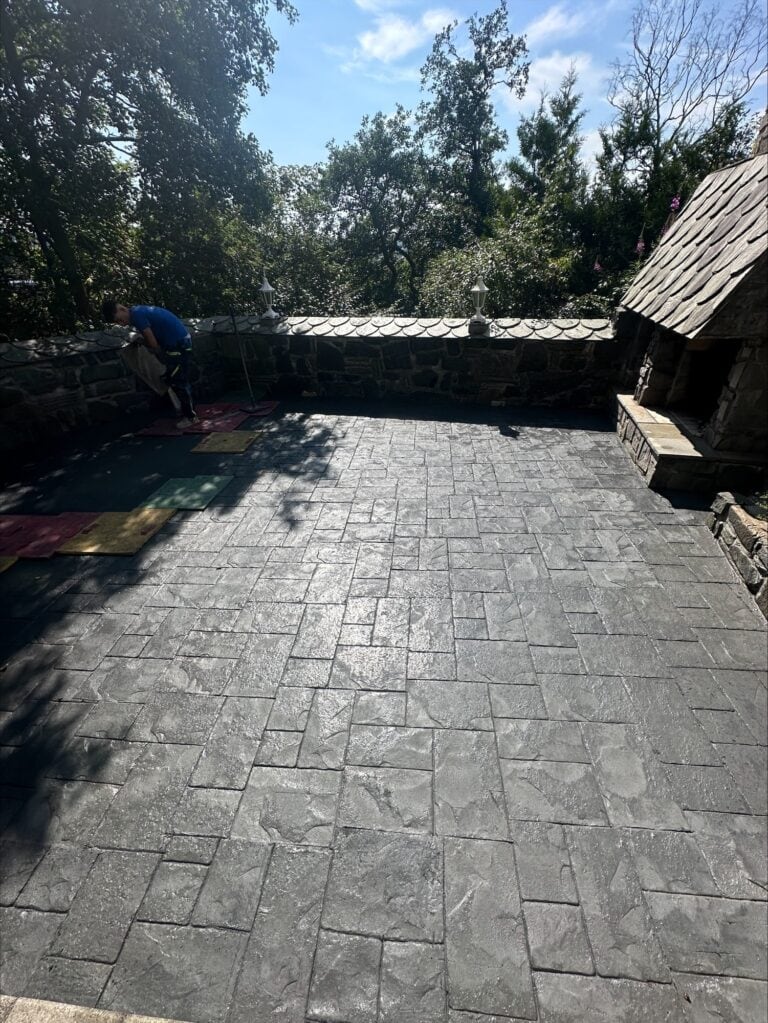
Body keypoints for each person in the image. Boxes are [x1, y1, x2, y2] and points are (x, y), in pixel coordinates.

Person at [101, 300, 198, 426]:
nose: (122, 324)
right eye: (117, 322)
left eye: (119, 320)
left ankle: (190, 417)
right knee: (174, 378)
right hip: (179, 344)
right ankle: (185, 411)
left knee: (178, 381)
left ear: (122, 310)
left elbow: (153, 345)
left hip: (178, 346)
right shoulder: (139, 310)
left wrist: (141, 341)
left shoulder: (137, 316)